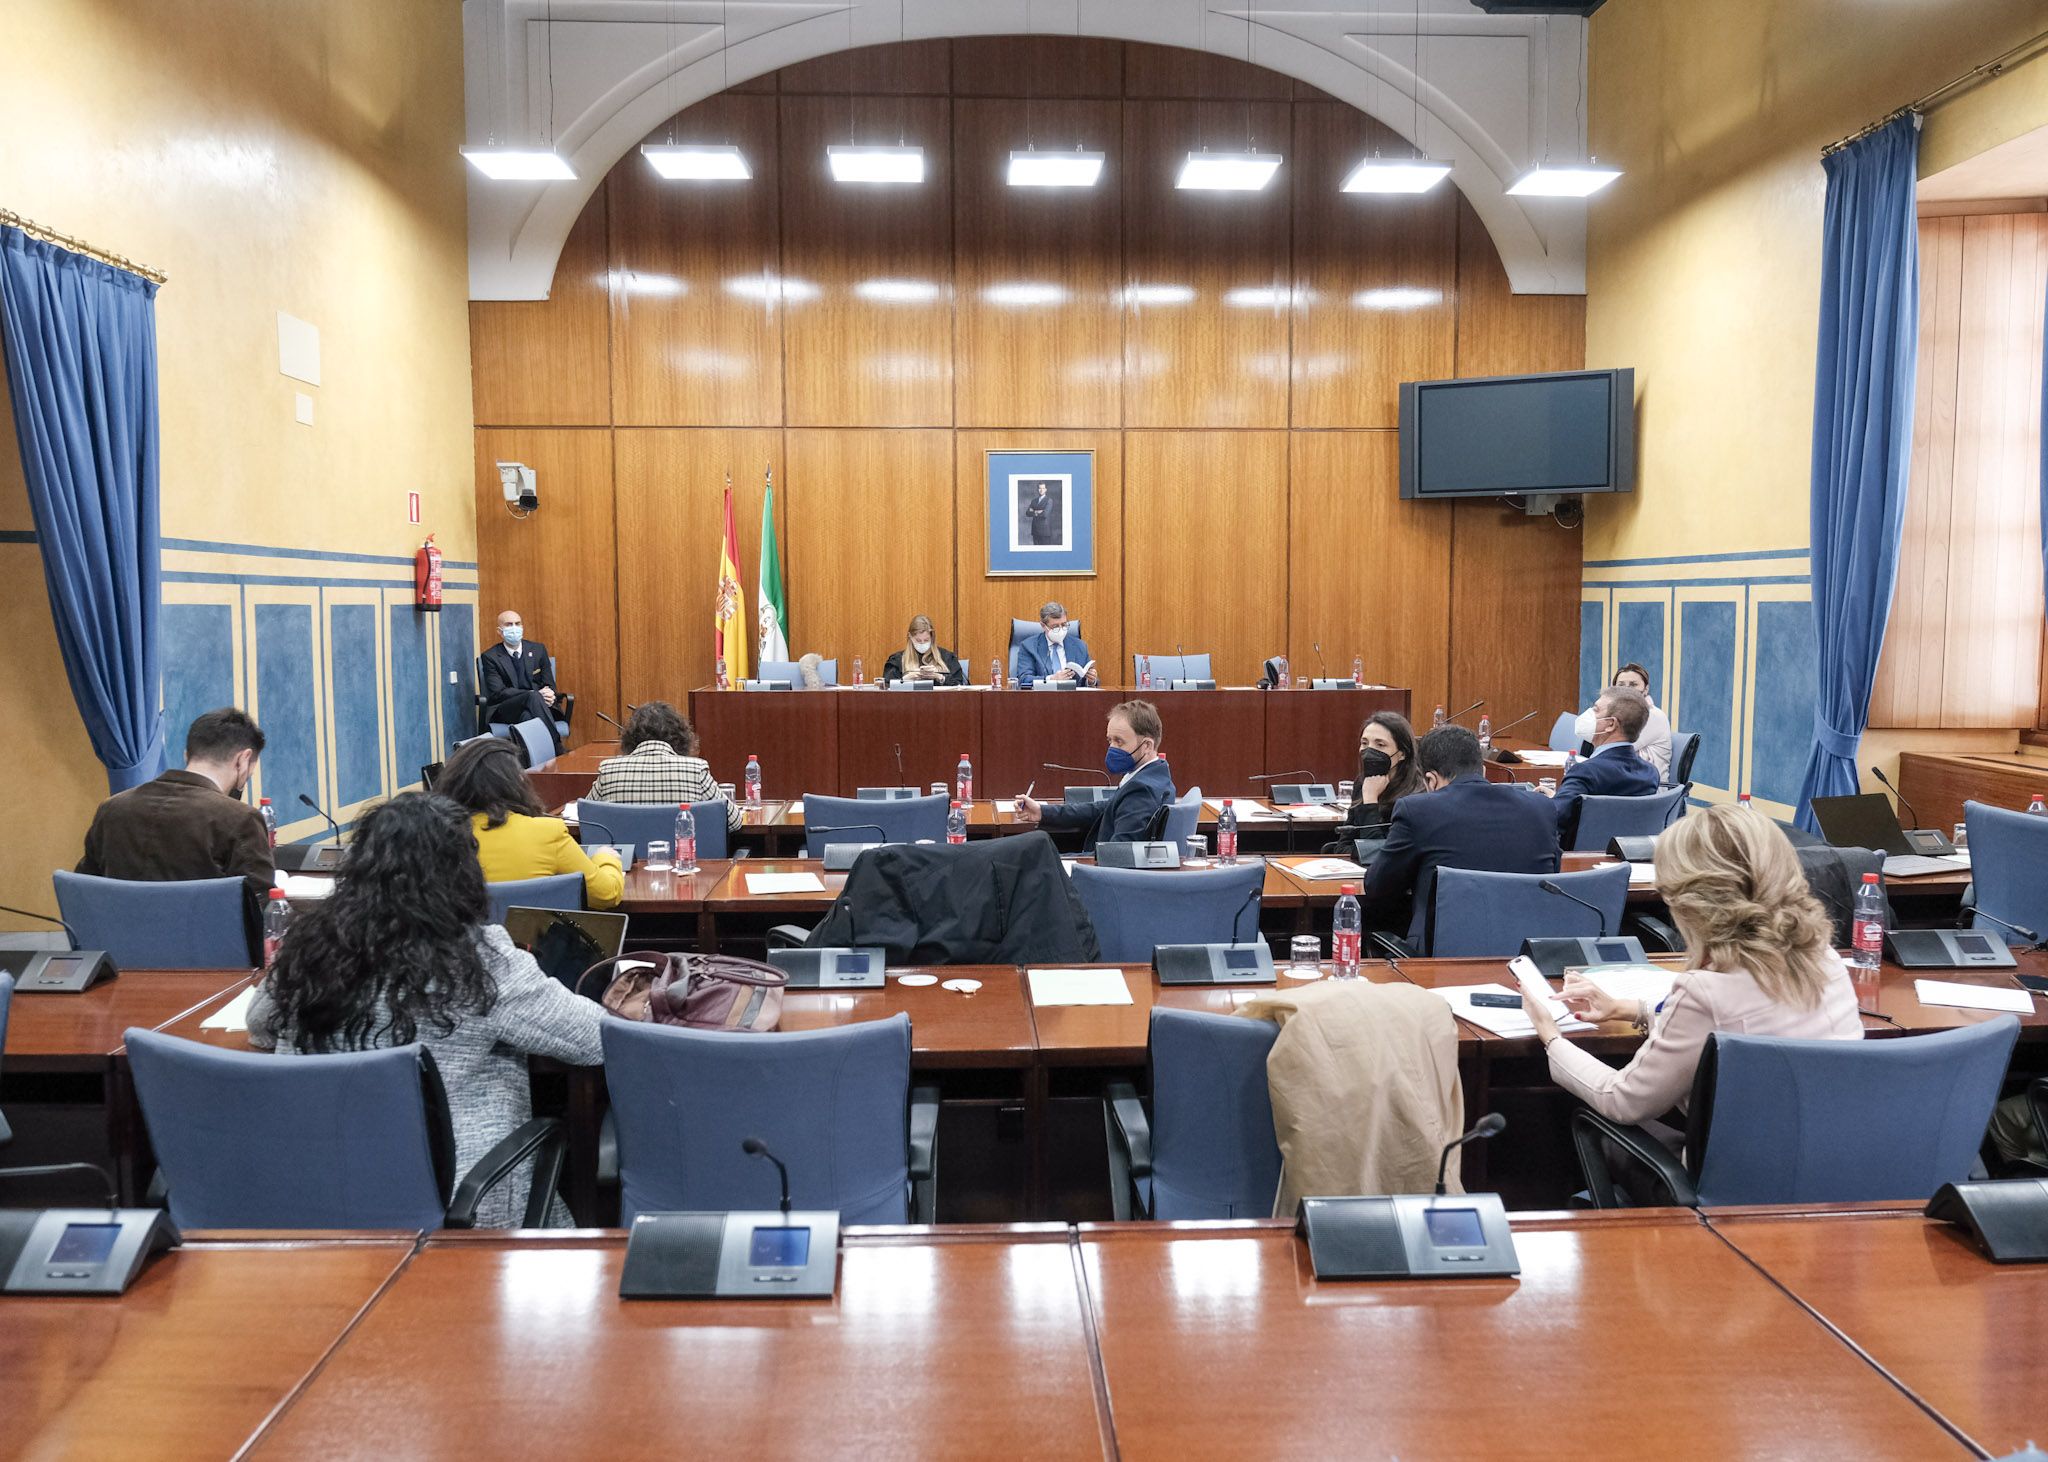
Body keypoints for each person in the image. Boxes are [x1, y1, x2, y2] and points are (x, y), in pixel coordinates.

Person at [248, 793, 603, 1227]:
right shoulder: (480, 959)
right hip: (464, 1199)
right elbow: (594, 1041)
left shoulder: (309, 946)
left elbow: (259, 1026)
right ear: (463, 874)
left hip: (325, 1192)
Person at [1525, 803, 1861, 1138]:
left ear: (1692, 902)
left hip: (1735, 1183)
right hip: (1831, 1169)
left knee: (1581, 1120)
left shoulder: (1705, 991)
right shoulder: (1827, 961)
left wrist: (1550, 1036)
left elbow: (1622, 1101)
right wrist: (1625, 1010)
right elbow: (1723, 1028)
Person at [77, 707, 274, 957]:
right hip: (210, 967)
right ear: (243, 760)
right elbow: (260, 913)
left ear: (187, 755)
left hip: (117, 963)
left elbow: (86, 889)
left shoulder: (111, 808)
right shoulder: (240, 818)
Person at [1359, 724, 1560, 945]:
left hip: (1441, 956)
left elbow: (1377, 887)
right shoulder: (1542, 808)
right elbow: (1552, 874)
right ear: (1482, 770)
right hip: (1527, 951)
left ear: (1431, 780)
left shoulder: (1417, 810)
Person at [436, 737, 623, 908]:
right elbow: (605, 895)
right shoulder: (546, 833)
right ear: (515, 783)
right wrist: (605, 857)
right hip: (531, 943)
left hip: (460, 943)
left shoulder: (437, 838)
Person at [1015, 700, 1175, 853]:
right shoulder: (1154, 774)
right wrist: (1042, 812)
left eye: (1119, 742)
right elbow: (1101, 809)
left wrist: (1058, 862)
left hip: (1100, 873)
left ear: (1147, 745)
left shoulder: (1142, 789)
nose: (1112, 748)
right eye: (1110, 740)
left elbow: (1118, 856)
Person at [585, 701, 741, 829]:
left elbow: (584, 819)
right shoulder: (695, 770)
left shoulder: (609, 771)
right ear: (681, 739)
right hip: (684, 864)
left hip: (624, 865)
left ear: (629, 739)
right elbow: (734, 821)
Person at [1552, 685, 1661, 848]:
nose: (1588, 713)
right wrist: (1562, 795)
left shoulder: (1585, 772)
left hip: (1578, 863)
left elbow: (1553, 818)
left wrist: (1546, 801)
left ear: (1610, 724)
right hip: (1626, 861)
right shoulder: (1650, 773)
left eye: (1595, 710)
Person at [1326, 711, 1423, 857]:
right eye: (1364, 743)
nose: (1369, 750)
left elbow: (1379, 855)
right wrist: (1359, 852)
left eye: (1380, 744)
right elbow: (1343, 846)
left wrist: (1370, 800)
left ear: (1402, 753)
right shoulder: (1362, 783)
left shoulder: (1416, 796)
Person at [479, 609, 563, 754]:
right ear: (500, 631)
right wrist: (533, 694)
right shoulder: (490, 657)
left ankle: (532, 761)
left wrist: (549, 694)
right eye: (509, 624)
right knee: (533, 696)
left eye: (517, 624)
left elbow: (549, 683)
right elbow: (498, 692)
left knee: (527, 717)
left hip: (538, 706)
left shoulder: (538, 649)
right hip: (507, 708)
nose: (514, 628)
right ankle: (556, 746)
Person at [1573, 664, 1674, 778]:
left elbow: (1614, 751)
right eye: (1621, 685)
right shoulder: (1619, 713)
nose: (1626, 690)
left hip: (1646, 787)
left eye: (1633, 685)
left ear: (1646, 689)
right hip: (1622, 777)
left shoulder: (1652, 715)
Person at [1015, 600, 1098, 686]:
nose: (1061, 629)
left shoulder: (1079, 646)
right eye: (1055, 626)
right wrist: (1051, 679)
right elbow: (1024, 679)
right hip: (1042, 697)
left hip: (1073, 698)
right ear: (1043, 626)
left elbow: (1088, 680)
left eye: (1064, 625)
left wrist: (1091, 680)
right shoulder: (1028, 646)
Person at [883, 614, 965, 685]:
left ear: (932, 638)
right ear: (910, 637)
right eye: (918, 640)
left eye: (926, 640)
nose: (922, 643)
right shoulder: (897, 660)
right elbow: (886, 686)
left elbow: (959, 685)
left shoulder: (947, 658)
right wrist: (904, 680)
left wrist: (940, 677)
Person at [1024, 482, 1058, 546]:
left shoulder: (1049, 500)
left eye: (1043, 488)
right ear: (1037, 489)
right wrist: (1037, 511)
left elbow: (1045, 515)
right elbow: (1027, 513)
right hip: (1035, 531)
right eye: (1040, 488)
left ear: (1046, 489)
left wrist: (1033, 511)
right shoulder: (1034, 501)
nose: (1041, 490)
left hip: (1044, 531)